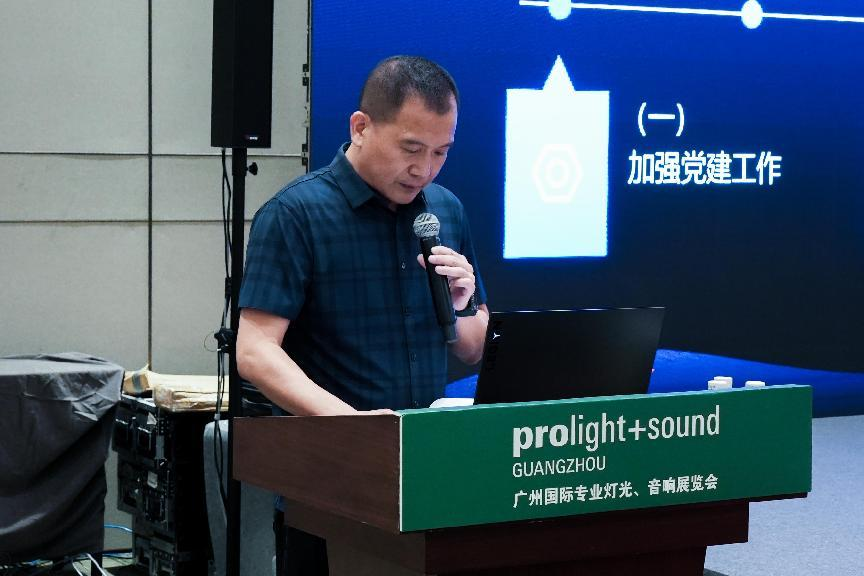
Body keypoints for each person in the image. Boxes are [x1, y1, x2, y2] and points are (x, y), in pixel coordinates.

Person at [235, 55, 489, 576]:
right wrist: (355, 429)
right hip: (329, 483)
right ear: (361, 126)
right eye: (411, 149)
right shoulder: (295, 214)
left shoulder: (444, 210)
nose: (424, 169)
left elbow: (473, 347)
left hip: (430, 477)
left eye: (441, 152)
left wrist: (463, 303)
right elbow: (255, 352)